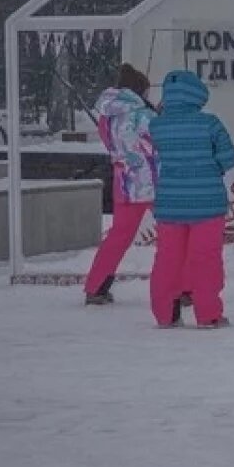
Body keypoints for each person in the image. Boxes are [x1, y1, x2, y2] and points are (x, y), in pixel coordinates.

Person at [148, 69, 234, 328]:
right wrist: (212, 168)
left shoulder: (157, 126)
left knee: (167, 259)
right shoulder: (210, 123)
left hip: (169, 203)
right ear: (198, 94)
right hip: (207, 203)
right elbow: (230, 158)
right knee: (205, 259)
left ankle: (165, 314)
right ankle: (208, 314)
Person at [84, 63, 157, 305]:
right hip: (154, 182)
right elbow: (157, 142)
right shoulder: (144, 115)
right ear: (139, 91)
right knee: (174, 233)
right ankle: (183, 288)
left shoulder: (106, 117)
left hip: (124, 181)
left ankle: (96, 286)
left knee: (118, 237)